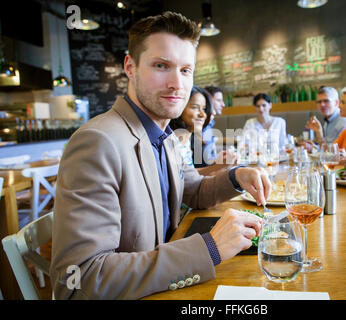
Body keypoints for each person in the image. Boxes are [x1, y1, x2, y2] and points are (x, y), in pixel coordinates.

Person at [50, 12, 269, 300]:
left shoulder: (165, 135)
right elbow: (79, 280)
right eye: (161, 66)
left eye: (186, 70)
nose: (177, 84)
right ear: (131, 67)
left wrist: (237, 176)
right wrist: (210, 248)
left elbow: (195, 191)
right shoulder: (97, 142)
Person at [170, 85, 237, 175]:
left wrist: (220, 163)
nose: (203, 114)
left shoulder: (186, 141)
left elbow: (189, 174)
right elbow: (183, 179)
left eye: (204, 109)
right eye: (194, 107)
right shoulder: (172, 142)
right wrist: (218, 166)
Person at [302, 86, 346, 151]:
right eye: (319, 102)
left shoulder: (343, 122)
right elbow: (327, 149)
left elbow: (337, 153)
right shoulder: (328, 119)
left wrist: (319, 134)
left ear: (336, 103)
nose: (322, 104)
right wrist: (313, 147)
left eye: (326, 101)